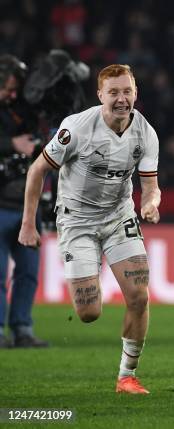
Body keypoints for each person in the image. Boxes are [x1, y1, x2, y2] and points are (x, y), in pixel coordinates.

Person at [19, 64, 160, 394]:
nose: (121, 99)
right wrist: (29, 223)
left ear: (135, 93)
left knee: (139, 296)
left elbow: (150, 185)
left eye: (127, 91)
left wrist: (151, 202)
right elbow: (37, 170)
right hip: (77, 220)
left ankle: (127, 376)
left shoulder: (146, 132)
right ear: (100, 96)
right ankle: (84, 272)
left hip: (118, 217)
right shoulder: (77, 127)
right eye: (114, 93)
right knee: (88, 312)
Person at [0, 54, 49, 348]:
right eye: (8, 87)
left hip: (26, 204)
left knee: (28, 272)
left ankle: (22, 328)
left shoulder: (25, 111)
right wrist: (10, 145)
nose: (13, 94)